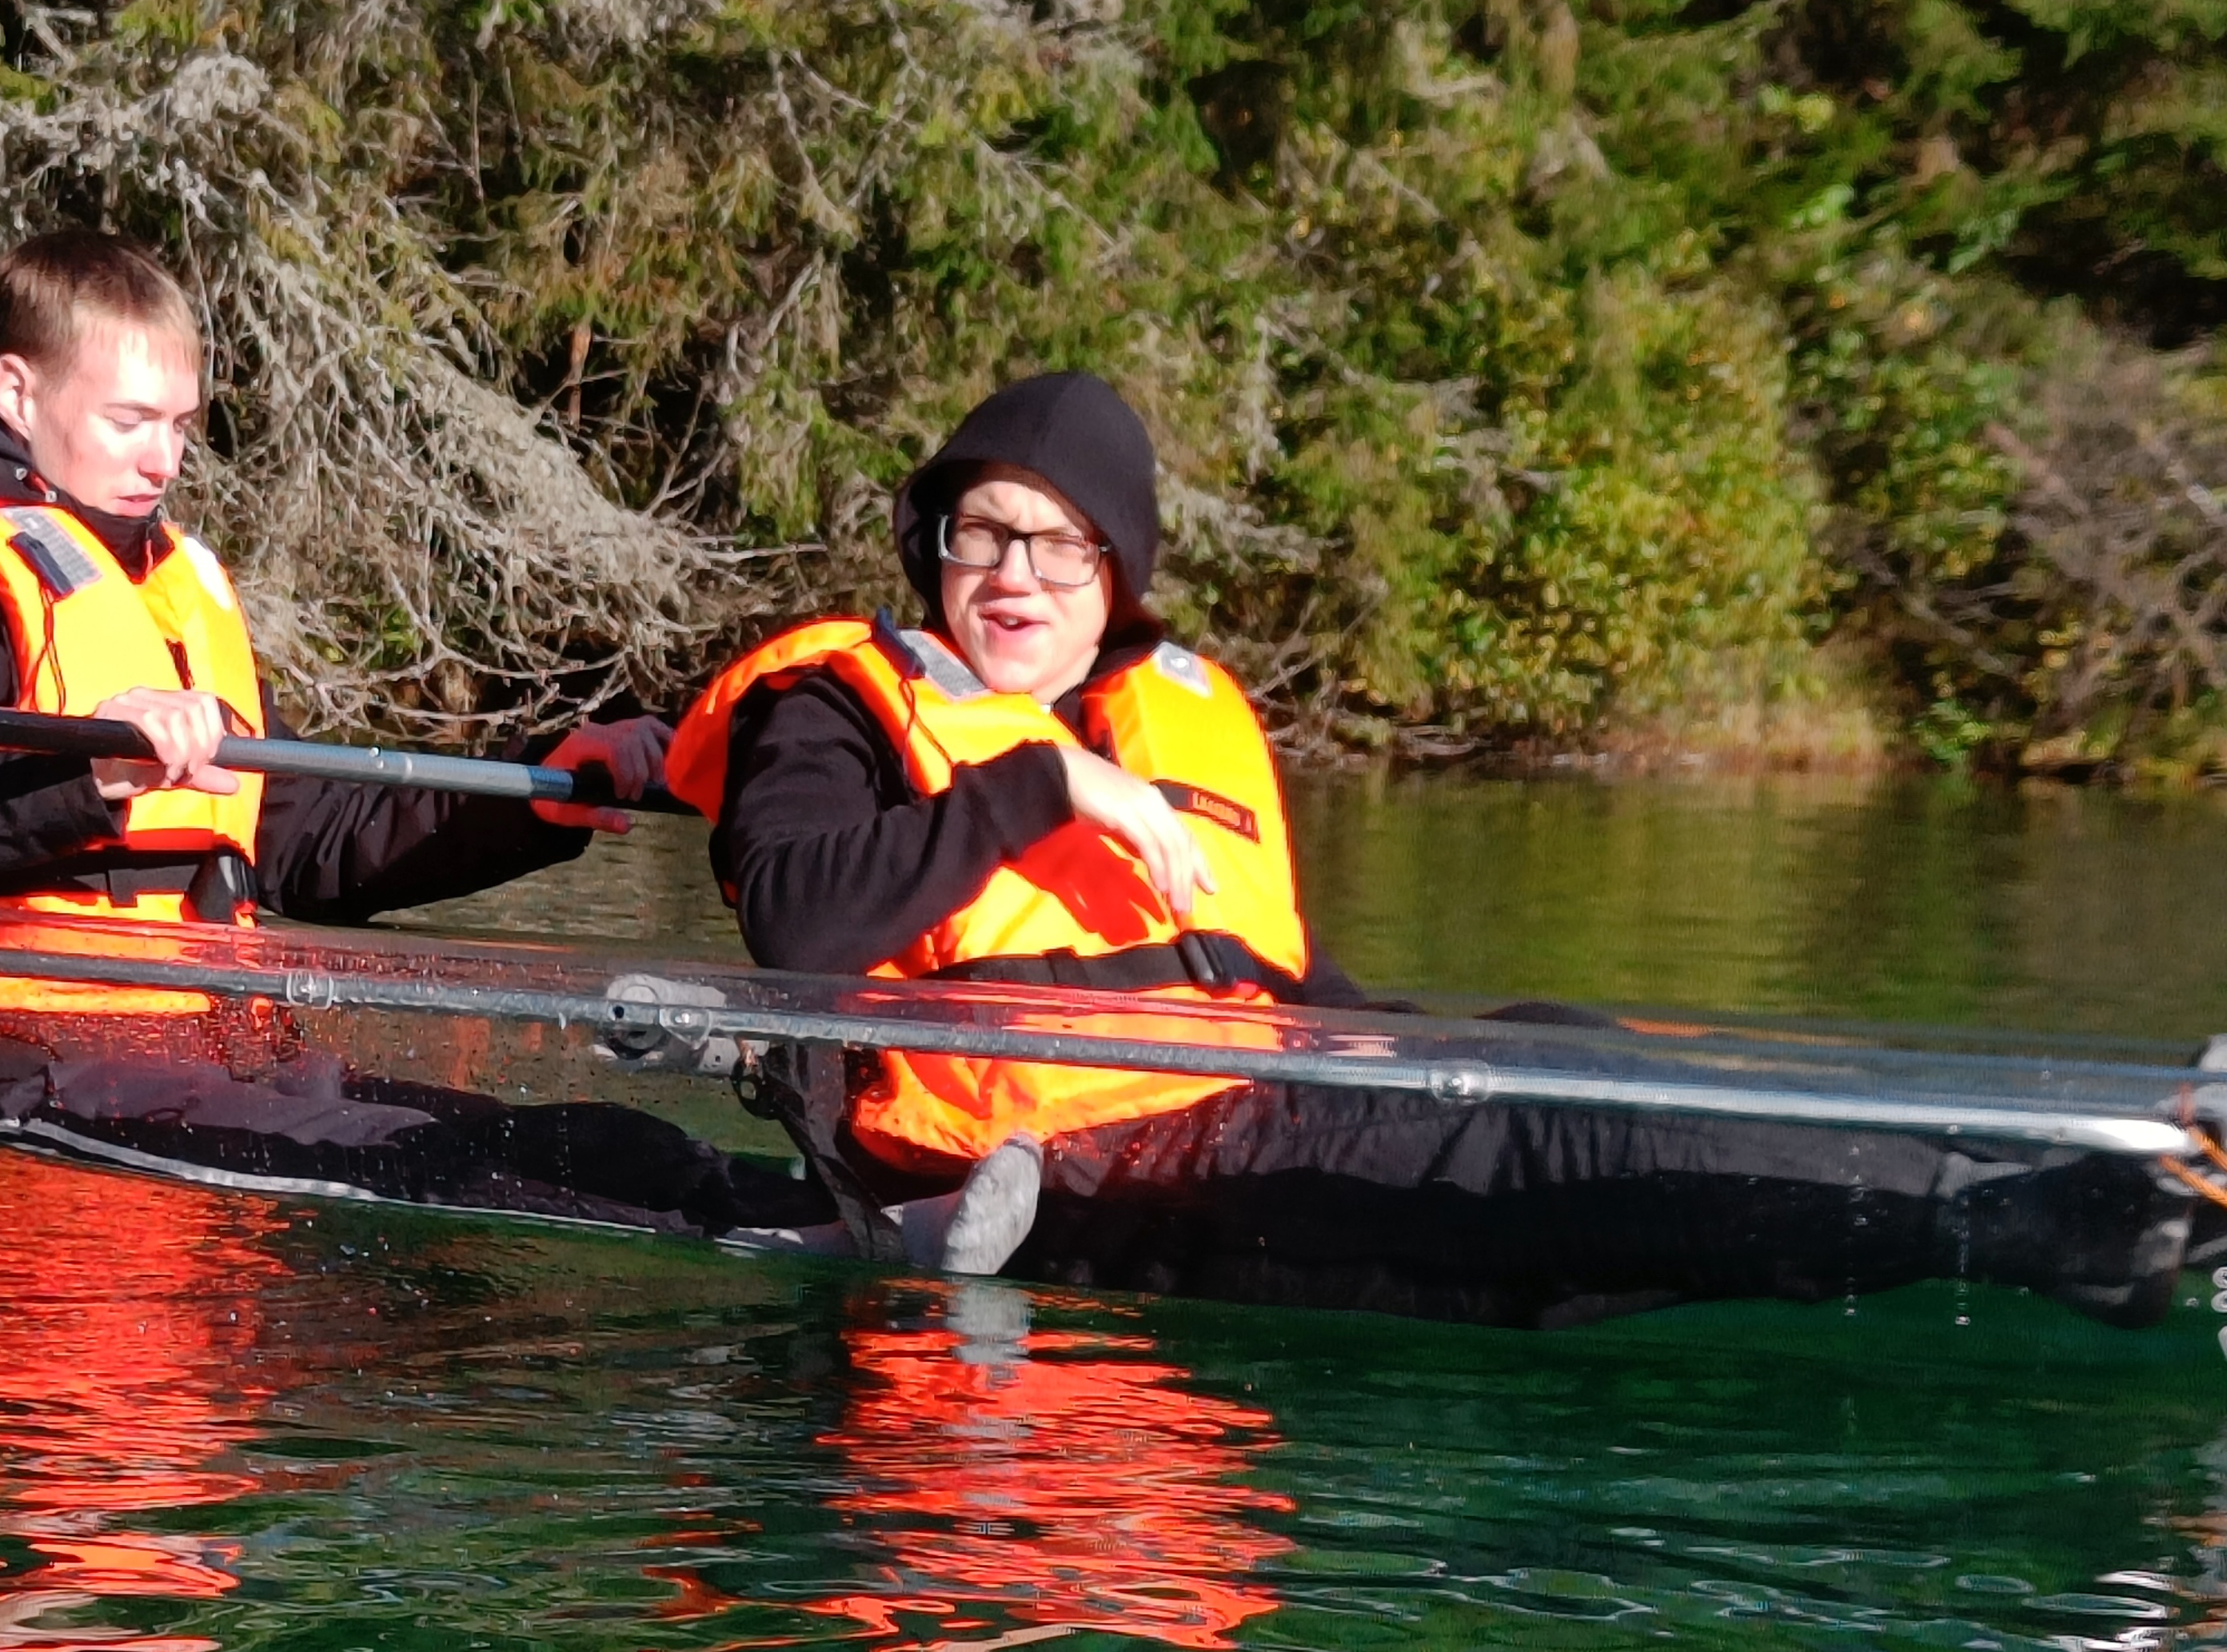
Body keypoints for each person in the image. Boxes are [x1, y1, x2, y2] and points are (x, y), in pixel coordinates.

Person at [665, 371, 2200, 1325]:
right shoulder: (838, 708)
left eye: (1058, 544)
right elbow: (798, 925)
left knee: (1571, 1060)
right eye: (979, 534)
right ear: (934, 547)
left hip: (1246, 1098)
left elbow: (1275, 975)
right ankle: (2089, 1220)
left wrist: (1415, 1040)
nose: (1013, 575)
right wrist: (1038, 792)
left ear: (1114, 571)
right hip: (1068, 1175)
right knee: (1569, 1146)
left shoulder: (1163, 713)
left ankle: (2079, 1201)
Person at [0, 229, 829, 1239]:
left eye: (179, 427)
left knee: (607, 1145)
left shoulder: (168, 586)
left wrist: (530, 796)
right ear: (18, 390)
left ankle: (860, 1223)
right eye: (129, 423)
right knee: (452, 1187)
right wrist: (77, 775)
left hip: (203, 1045)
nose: (163, 462)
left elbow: (303, 840)